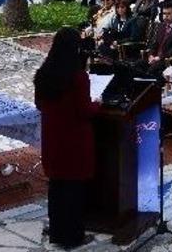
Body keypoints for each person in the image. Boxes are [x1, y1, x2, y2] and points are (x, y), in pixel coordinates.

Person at [34, 27, 98, 249]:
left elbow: (40, 104)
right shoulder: (78, 78)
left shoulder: (43, 74)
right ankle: (73, 236)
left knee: (56, 187)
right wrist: (97, 103)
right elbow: (85, 111)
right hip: (74, 140)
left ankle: (57, 233)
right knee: (74, 190)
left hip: (53, 139)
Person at [143, 2, 172, 76]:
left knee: (151, 70)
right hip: (155, 58)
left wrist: (159, 57)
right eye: (164, 14)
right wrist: (151, 55)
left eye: (168, 14)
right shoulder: (161, 26)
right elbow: (155, 43)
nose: (165, 16)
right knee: (138, 64)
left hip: (167, 60)